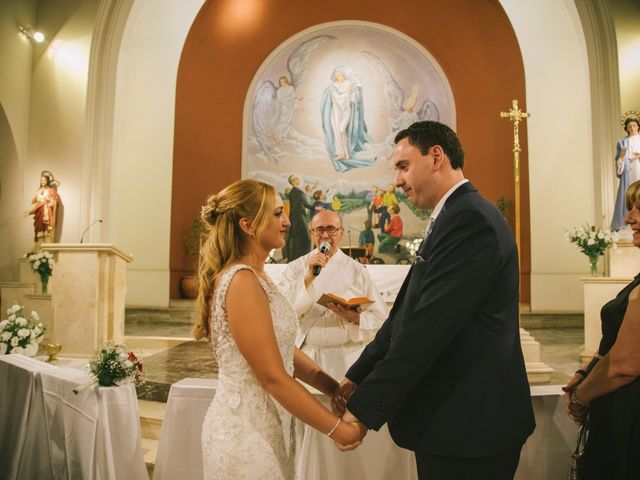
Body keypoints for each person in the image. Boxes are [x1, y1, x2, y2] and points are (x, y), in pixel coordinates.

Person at [335, 121, 535, 479]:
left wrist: (363, 411)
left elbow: (428, 328)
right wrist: (357, 375)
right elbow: (404, 314)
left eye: (403, 166)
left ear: (436, 157)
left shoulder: (470, 221)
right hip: (453, 422)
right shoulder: (454, 216)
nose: (397, 181)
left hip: (472, 425)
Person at [194, 179, 366, 480]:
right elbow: (273, 377)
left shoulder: (258, 277)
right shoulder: (242, 281)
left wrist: (333, 387)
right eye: (276, 213)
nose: (287, 221)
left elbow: (283, 347)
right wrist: (337, 429)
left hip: (269, 426)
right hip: (247, 436)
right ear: (249, 226)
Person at [278, 210, 415, 480]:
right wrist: (308, 278)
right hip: (310, 362)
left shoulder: (356, 271)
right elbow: (281, 316)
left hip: (349, 361)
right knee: (315, 436)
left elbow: (381, 322)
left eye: (331, 229)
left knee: (347, 428)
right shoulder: (296, 268)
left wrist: (354, 318)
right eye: (319, 230)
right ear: (311, 233)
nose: (325, 235)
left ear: (341, 233)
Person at [563, 180, 640, 479]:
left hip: (629, 418)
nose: (630, 217)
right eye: (630, 207)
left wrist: (582, 397)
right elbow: (615, 344)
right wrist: (587, 370)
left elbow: (624, 365)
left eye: (638, 209)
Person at [320, 66, 375, 172]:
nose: (337, 77)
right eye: (336, 75)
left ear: (343, 75)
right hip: (335, 112)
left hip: (345, 111)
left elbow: (346, 99)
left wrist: (336, 95)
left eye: (339, 75)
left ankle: (346, 153)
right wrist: (336, 95)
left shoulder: (349, 84)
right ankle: (343, 153)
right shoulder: (333, 86)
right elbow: (331, 100)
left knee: (341, 130)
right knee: (337, 132)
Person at [612, 112, 640, 230]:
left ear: (638, 126)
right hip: (629, 171)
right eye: (629, 127)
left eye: (633, 125)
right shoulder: (622, 142)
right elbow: (618, 162)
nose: (631, 128)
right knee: (630, 195)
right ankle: (630, 222)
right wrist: (622, 157)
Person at [25, 170, 61, 244]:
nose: (43, 181)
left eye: (44, 180)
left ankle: (47, 244)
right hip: (39, 212)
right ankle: (39, 245)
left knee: (47, 229)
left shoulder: (51, 190)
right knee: (39, 228)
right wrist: (29, 210)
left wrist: (51, 201)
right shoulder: (38, 192)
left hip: (47, 212)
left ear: (47, 181)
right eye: (41, 180)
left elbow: (56, 200)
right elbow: (35, 203)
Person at [286, 175, 312, 261]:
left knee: (297, 239)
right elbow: (306, 204)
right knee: (306, 239)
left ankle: (297, 258)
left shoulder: (294, 192)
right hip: (299, 218)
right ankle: (304, 259)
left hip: (295, 218)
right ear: (293, 182)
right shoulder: (297, 192)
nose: (298, 179)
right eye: (296, 179)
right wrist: (315, 208)